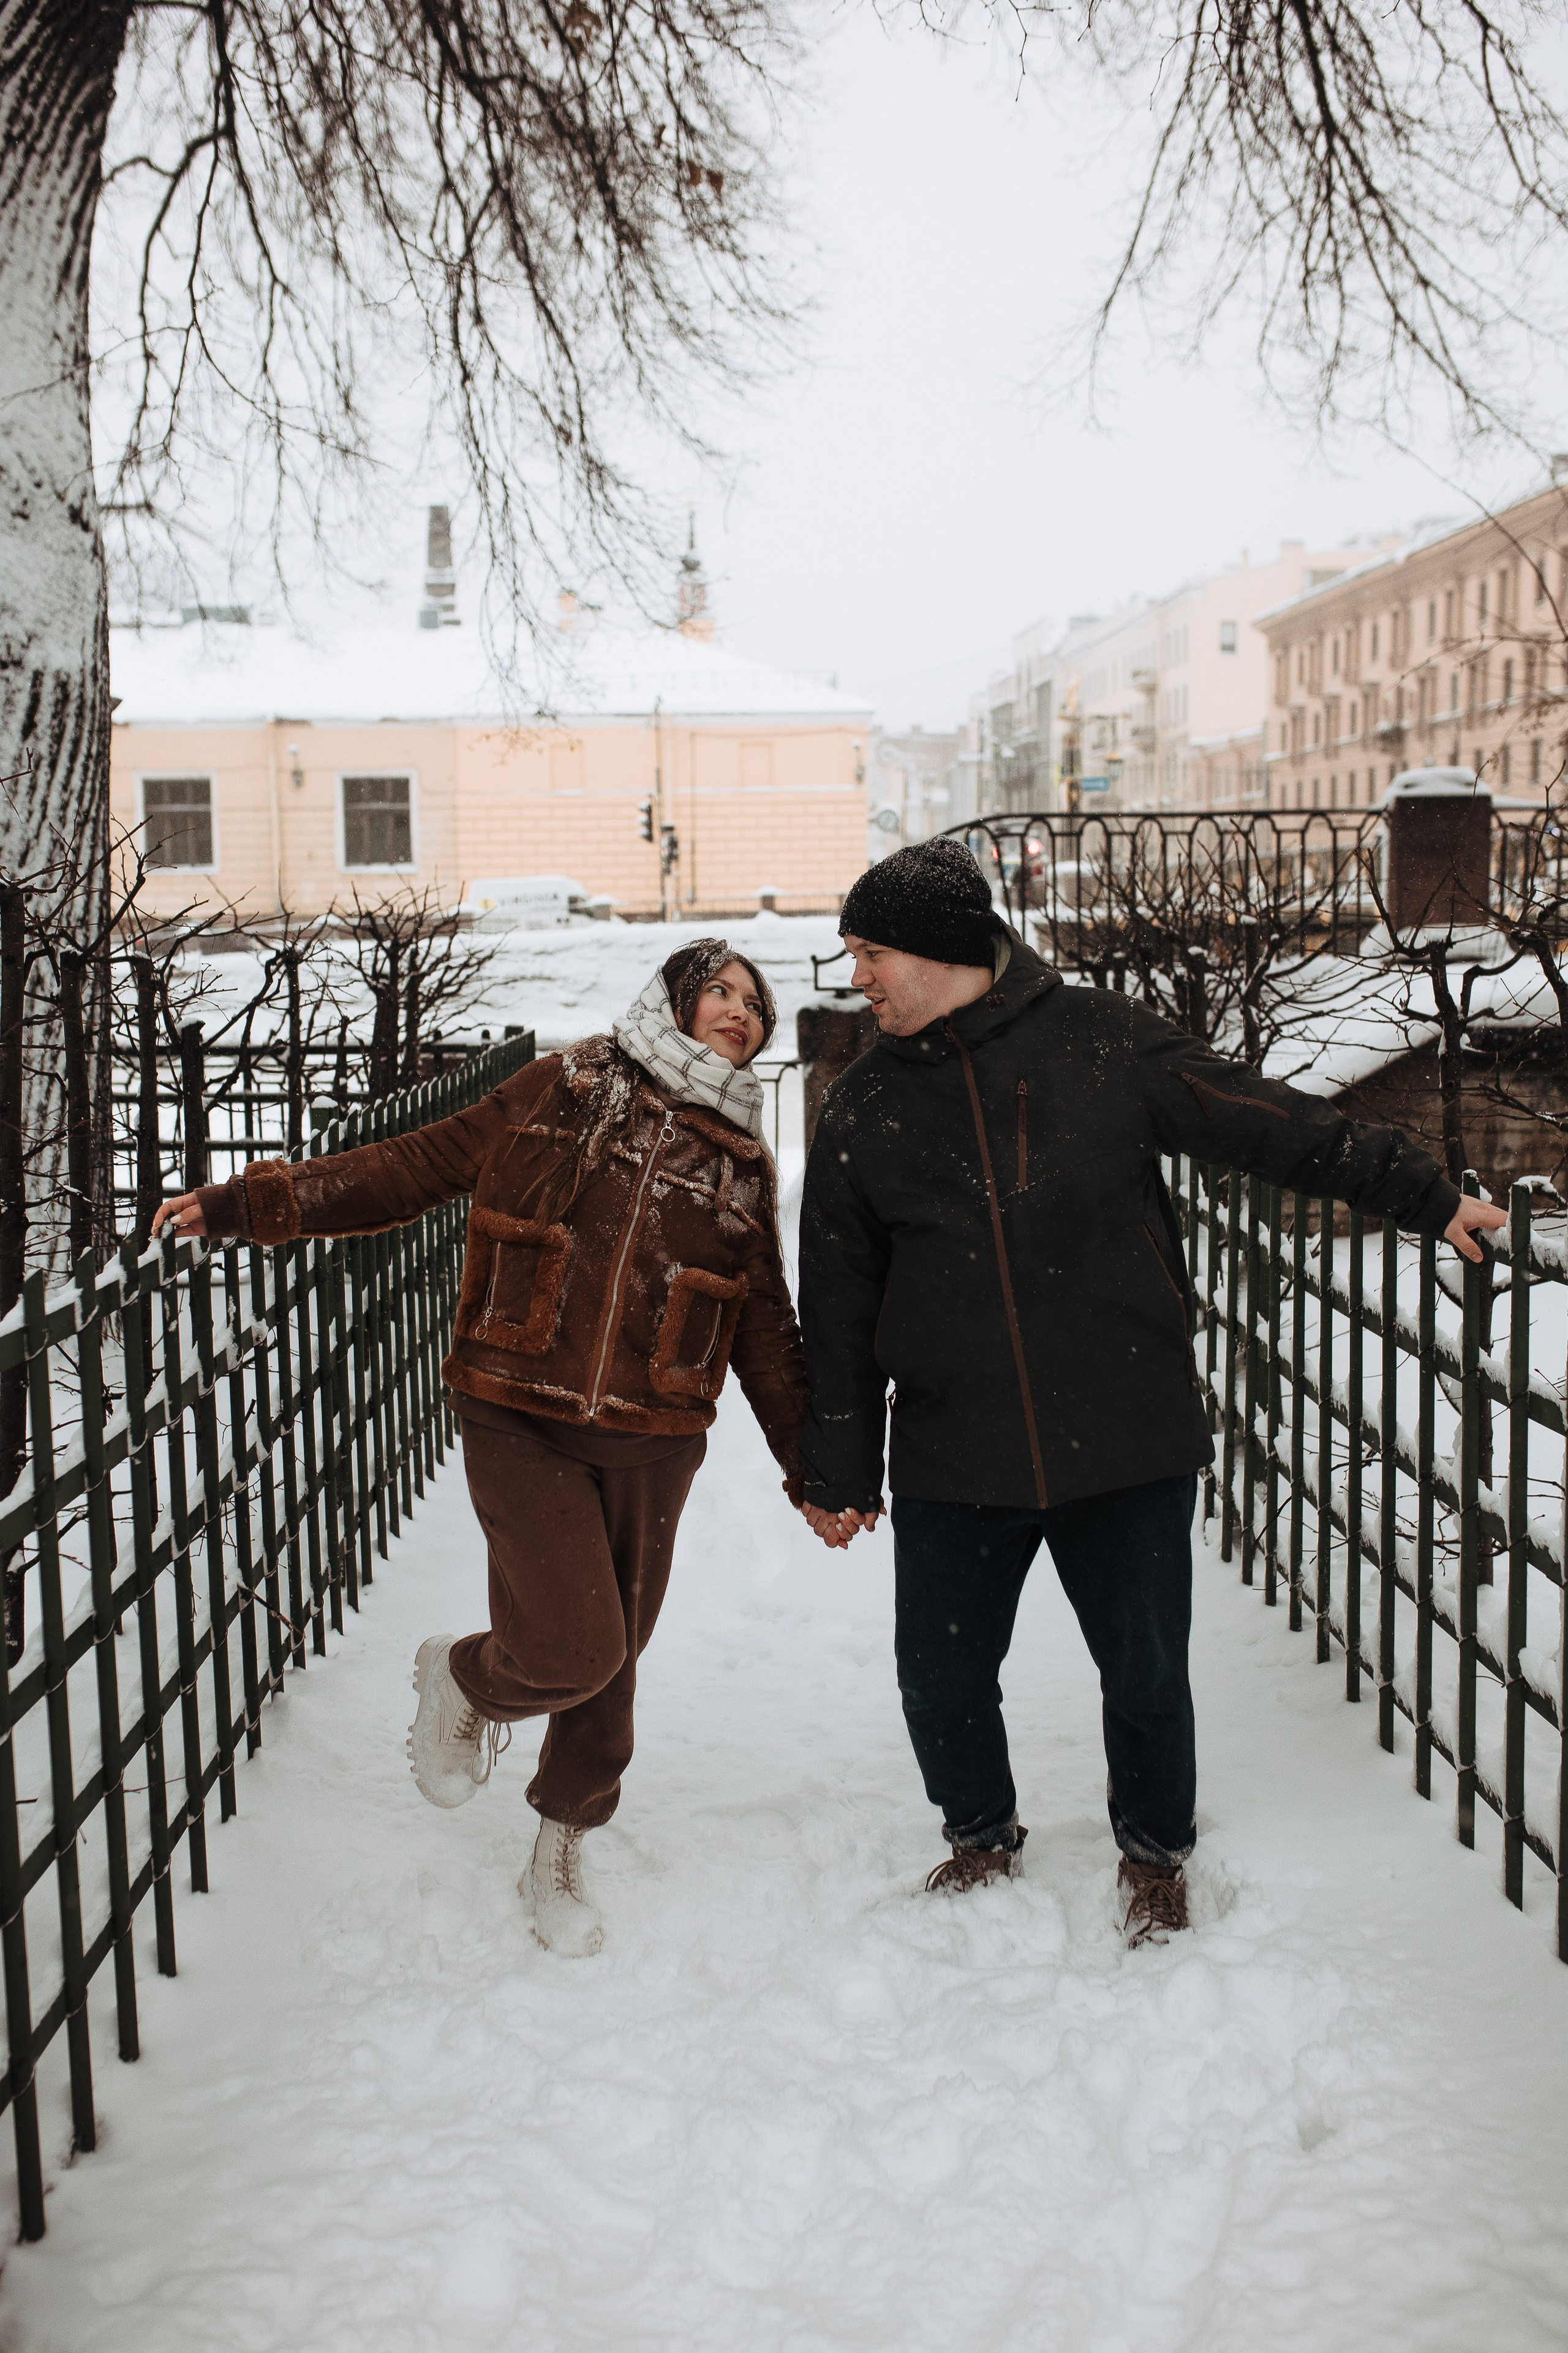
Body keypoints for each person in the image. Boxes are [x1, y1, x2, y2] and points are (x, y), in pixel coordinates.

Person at [794, 839, 1506, 1947]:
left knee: (1143, 1670)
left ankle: (1155, 1852)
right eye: (852, 955)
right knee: (938, 1674)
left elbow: (1271, 1121)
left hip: (1123, 1432)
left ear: (941, 949)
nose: (858, 979)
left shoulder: (1101, 1042)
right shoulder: (864, 1105)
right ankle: (980, 1834)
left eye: (872, 952)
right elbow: (836, 1300)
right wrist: (837, 1464)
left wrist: (1420, 1192)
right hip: (954, 1447)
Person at [154, 941, 808, 1957]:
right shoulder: (568, 1085)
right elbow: (411, 1165)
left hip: (656, 1435)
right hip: (517, 1404)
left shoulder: (743, 1161)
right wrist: (253, 1204)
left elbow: (764, 1324)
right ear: (673, 1002)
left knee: (613, 1667)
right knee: (573, 1646)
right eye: (718, 991)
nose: (739, 1011)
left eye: (755, 1005)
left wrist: (816, 1467)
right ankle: (462, 1676)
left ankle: (557, 1850)